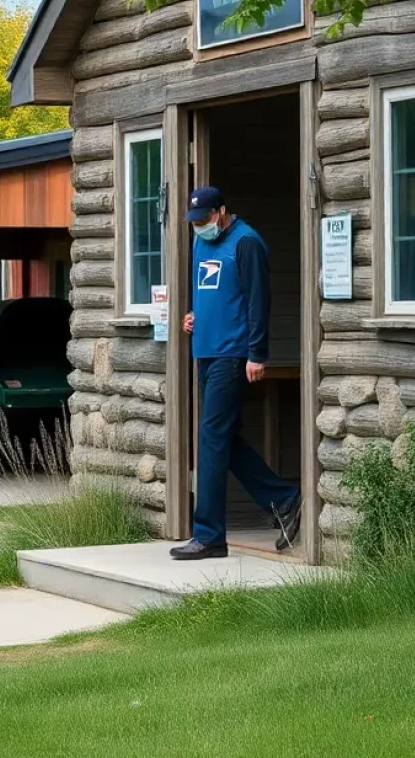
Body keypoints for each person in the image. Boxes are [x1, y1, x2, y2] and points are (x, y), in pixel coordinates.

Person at [170, 186, 301, 560]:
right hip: (206, 351)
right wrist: (193, 317)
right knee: (223, 439)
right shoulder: (200, 243)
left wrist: (257, 354)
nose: (199, 226)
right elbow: (208, 292)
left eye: (205, 219)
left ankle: (209, 535)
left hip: (233, 353)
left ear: (222, 211)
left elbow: (259, 302)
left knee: (211, 438)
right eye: (194, 221)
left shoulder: (247, 243)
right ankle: (285, 498)